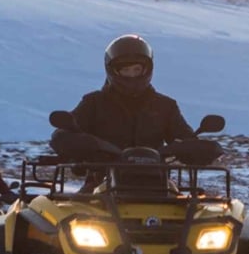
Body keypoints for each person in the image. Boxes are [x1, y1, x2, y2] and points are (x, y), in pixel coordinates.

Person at [51, 34, 196, 160]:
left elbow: (185, 137)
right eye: (126, 70)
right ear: (113, 70)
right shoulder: (94, 102)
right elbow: (62, 134)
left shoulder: (165, 106)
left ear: (147, 69)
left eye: (137, 69)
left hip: (157, 181)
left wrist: (199, 148)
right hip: (102, 179)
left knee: (183, 193)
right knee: (86, 192)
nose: (132, 75)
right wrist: (79, 142)